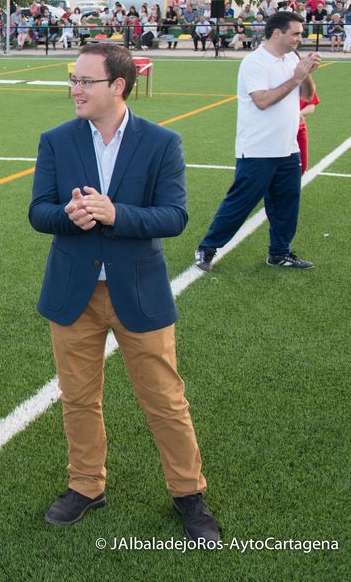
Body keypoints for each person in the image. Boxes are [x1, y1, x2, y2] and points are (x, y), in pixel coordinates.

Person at [29, 43, 219, 541]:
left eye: (85, 81)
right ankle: (86, 485)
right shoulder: (56, 140)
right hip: (74, 292)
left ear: (117, 86)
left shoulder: (162, 143)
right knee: (78, 398)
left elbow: (175, 217)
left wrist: (117, 214)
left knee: (165, 399)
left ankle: (188, 494)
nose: (74, 88)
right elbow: (38, 211)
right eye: (73, 79)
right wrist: (68, 217)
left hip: (138, 289)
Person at [195, 12, 321, 272]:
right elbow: (262, 101)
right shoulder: (255, 62)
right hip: (258, 150)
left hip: (288, 148)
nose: (300, 38)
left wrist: (305, 73)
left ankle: (280, 253)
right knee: (239, 203)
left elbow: (307, 95)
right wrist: (296, 77)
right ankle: (207, 249)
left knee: (286, 203)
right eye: (296, 33)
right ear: (277, 33)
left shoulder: (292, 58)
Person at [298, 90, 319, 175]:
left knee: (301, 167)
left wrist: (297, 115)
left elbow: (311, 105)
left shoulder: (303, 80)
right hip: (277, 133)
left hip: (299, 131)